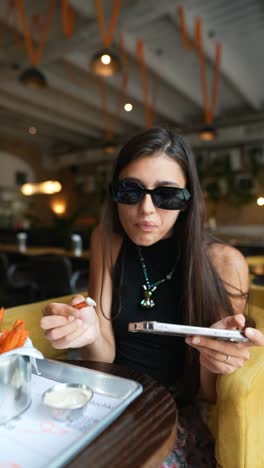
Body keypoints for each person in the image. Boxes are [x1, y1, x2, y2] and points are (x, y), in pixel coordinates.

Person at [41, 128, 264, 467]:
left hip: (171, 409)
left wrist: (214, 359)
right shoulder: (106, 239)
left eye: (167, 195)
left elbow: (208, 393)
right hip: (107, 395)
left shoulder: (222, 262)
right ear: (115, 193)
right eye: (130, 191)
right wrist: (89, 334)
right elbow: (105, 354)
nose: (146, 210)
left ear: (188, 201)